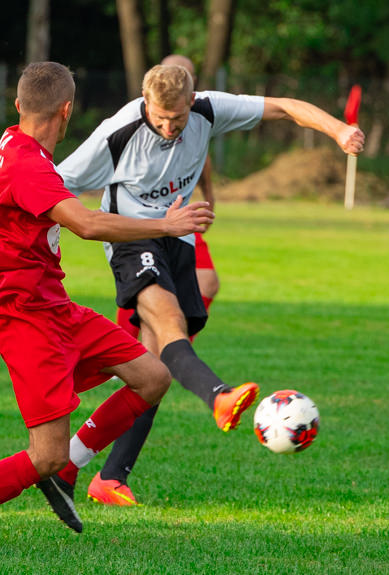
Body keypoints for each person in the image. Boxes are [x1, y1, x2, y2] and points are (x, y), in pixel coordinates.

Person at [0, 62, 213, 552]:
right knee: (42, 455)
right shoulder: (28, 165)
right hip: (26, 318)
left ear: (20, 105)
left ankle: (71, 465)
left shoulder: (14, 141)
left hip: (55, 306)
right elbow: (88, 224)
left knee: (152, 377)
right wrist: (167, 224)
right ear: (67, 110)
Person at [57, 64, 365, 506]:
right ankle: (219, 396)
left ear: (191, 102)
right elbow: (57, 185)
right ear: (146, 102)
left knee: (153, 368)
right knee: (168, 322)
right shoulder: (118, 131)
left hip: (178, 237)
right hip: (131, 238)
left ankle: (93, 472)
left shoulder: (208, 109)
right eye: (159, 117)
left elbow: (284, 108)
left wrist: (338, 130)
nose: (168, 127)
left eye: (177, 118)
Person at [115, 55, 219, 340]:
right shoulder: (154, 120)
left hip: (179, 214)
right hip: (154, 217)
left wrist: (209, 196)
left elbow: (202, 159)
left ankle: (169, 349)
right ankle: (148, 349)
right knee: (155, 285)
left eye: (192, 74)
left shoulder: (193, 114)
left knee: (202, 283)